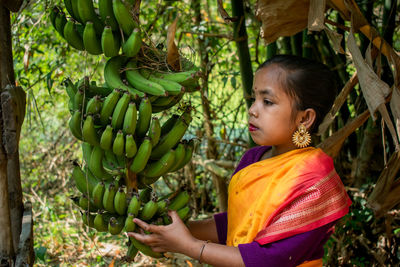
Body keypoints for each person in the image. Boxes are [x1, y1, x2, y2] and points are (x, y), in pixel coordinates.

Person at [127, 55, 352, 267]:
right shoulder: (254, 158)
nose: (253, 110)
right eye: (253, 98)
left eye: (268, 102)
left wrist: (189, 246)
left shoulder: (315, 182)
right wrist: (177, 229)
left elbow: (270, 259)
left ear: (305, 118)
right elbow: (239, 223)